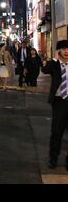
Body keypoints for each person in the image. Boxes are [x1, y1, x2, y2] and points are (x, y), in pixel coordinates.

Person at [42, 40, 68, 170]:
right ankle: (53, 158)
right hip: (59, 101)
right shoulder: (55, 65)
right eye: (63, 49)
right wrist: (54, 59)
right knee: (57, 132)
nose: (66, 51)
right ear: (59, 51)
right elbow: (44, 70)